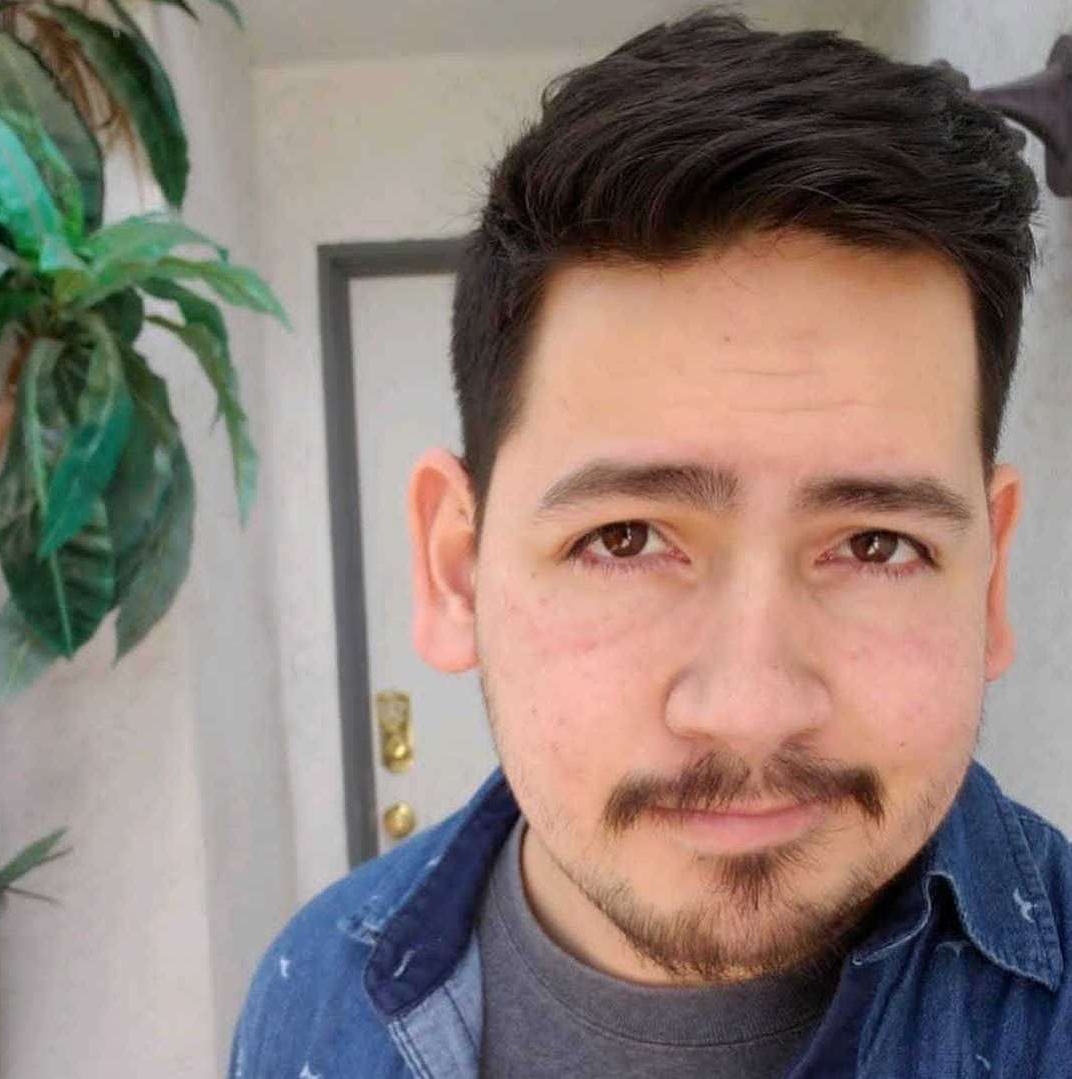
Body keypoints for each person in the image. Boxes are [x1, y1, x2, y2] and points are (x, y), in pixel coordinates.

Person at [229, 7, 1072, 1077]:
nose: (749, 705)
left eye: (871, 543)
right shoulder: (309, 990)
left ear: (988, 577)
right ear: (454, 568)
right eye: (623, 537)